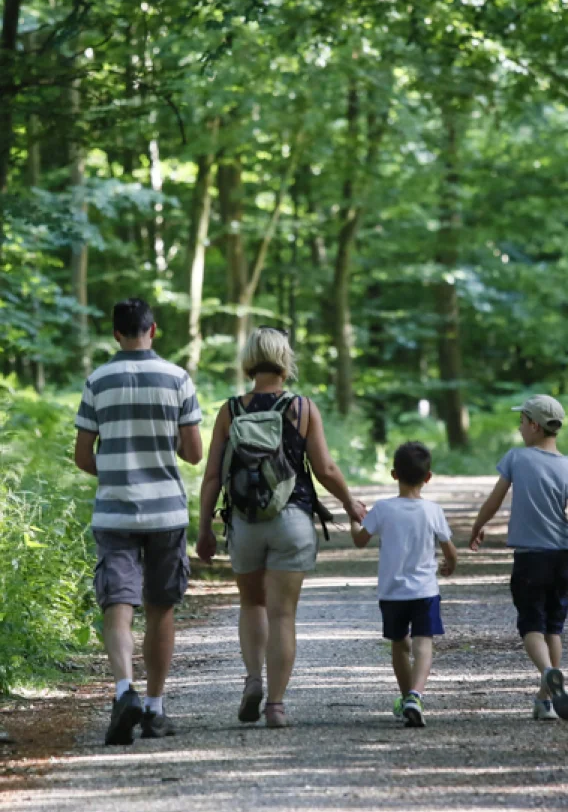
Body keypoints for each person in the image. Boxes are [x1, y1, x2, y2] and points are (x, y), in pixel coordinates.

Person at [197, 326, 366, 728]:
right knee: (283, 615)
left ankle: (253, 679)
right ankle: (275, 705)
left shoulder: (230, 411)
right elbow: (325, 468)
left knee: (252, 604)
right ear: (285, 360)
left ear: (249, 361)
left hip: (245, 521)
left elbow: (213, 476)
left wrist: (204, 528)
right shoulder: (302, 409)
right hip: (292, 520)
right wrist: (350, 504)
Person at [74, 298, 203, 745]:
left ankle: (123, 690)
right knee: (160, 606)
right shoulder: (177, 378)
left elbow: (82, 456)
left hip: (114, 510)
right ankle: (154, 708)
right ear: (154, 330)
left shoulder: (98, 381)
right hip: (166, 511)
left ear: (116, 334)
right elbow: (194, 453)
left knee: (118, 602)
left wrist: (115, 469)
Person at [468, 394, 568, 722]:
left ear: (534, 425)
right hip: (561, 558)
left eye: (521, 422)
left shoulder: (516, 458)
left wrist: (477, 526)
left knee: (532, 623)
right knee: (553, 628)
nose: (519, 428)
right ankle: (545, 702)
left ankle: (547, 672)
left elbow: (494, 500)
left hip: (530, 559)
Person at [350, 441, 457, 727]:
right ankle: (415, 696)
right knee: (423, 642)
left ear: (394, 474)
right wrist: (450, 565)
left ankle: (407, 696)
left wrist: (354, 518)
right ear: (428, 477)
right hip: (425, 591)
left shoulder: (383, 509)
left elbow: (359, 540)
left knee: (399, 645)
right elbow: (450, 551)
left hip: (392, 593)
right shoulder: (433, 511)